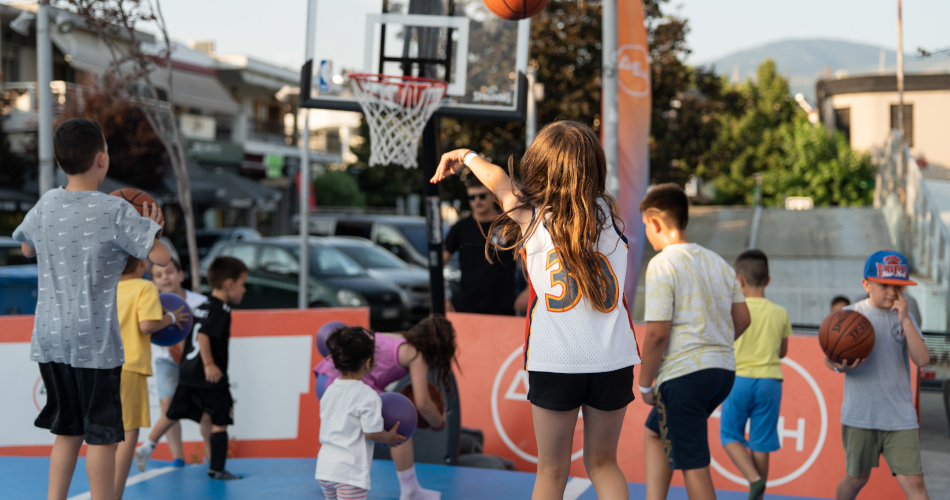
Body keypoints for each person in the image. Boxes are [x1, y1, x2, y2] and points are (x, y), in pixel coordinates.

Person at [430, 120, 642, 499]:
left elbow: (497, 179)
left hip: (556, 360)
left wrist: (465, 155)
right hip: (613, 358)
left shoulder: (531, 216)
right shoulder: (608, 213)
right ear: (593, 166)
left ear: (540, 167)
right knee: (604, 463)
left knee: (551, 471)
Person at [11, 118, 169, 500]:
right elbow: (161, 258)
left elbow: (26, 247)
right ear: (102, 159)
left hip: (50, 338)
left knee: (67, 431)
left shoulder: (47, 203)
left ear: (60, 162)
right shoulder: (115, 211)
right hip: (94, 342)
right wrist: (152, 228)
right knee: (102, 435)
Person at [637, 183, 751, 500]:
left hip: (684, 377)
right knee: (655, 432)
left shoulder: (662, 264)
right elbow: (743, 319)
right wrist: (714, 345)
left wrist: (645, 384)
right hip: (722, 373)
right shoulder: (719, 263)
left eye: (645, 224)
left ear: (654, 222)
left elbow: (657, 334)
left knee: (694, 465)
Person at [314, 315, 456, 500]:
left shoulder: (394, 337)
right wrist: (439, 422)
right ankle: (410, 490)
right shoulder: (415, 353)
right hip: (349, 474)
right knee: (398, 421)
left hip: (326, 383)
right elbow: (423, 404)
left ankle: (409, 489)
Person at [826, 250, 930, 500]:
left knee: (914, 482)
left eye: (898, 287)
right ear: (866, 284)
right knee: (856, 479)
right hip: (861, 415)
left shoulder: (905, 317)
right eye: (884, 285)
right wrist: (841, 366)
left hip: (900, 416)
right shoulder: (850, 315)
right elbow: (830, 358)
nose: (892, 292)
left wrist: (905, 321)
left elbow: (923, 360)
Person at [134, 256, 248, 480]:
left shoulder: (201, 306)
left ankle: (148, 445)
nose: (244, 289)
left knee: (174, 412)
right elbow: (203, 335)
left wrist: (186, 360)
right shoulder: (221, 310)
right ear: (229, 284)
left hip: (188, 370)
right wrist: (209, 364)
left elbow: (190, 335)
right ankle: (217, 468)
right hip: (206, 374)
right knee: (220, 418)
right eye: (243, 284)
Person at [114, 257, 189, 499]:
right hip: (131, 366)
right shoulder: (144, 287)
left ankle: (102, 492)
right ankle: (114, 494)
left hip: (103, 366)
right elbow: (146, 325)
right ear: (142, 264)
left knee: (106, 433)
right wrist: (171, 318)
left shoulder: (109, 286)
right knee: (128, 433)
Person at [720, 249, 792, 500]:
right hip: (770, 383)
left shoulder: (732, 310)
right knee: (761, 442)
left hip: (738, 380)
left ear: (738, 280)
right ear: (768, 280)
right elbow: (782, 352)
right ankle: (758, 494)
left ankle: (754, 479)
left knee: (729, 435)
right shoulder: (780, 313)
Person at [316, 327, 408, 499]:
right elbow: (372, 432)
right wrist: (390, 438)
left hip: (324, 469)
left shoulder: (330, 390)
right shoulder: (367, 395)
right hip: (348, 473)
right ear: (368, 362)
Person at [149, 258, 211, 464]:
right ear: (153, 282)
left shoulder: (200, 303)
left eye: (169, 272)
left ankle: (211, 455)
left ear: (180, 275)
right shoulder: (150, 304)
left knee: (207, 411)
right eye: (158, 275)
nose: (165, 278)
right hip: (166, 362)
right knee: (168, 407)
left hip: (196, 364)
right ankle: (178, 458)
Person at [442, 175, 516, 315]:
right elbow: (438, 264)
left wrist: (528, 291)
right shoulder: (460, 228)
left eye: (482, 196)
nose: (477, 201)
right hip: (468, 306)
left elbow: (529, 258)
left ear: (493, 195)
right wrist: (443, 298)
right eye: (472, 197)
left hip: (503, 305)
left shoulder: (509, 225)